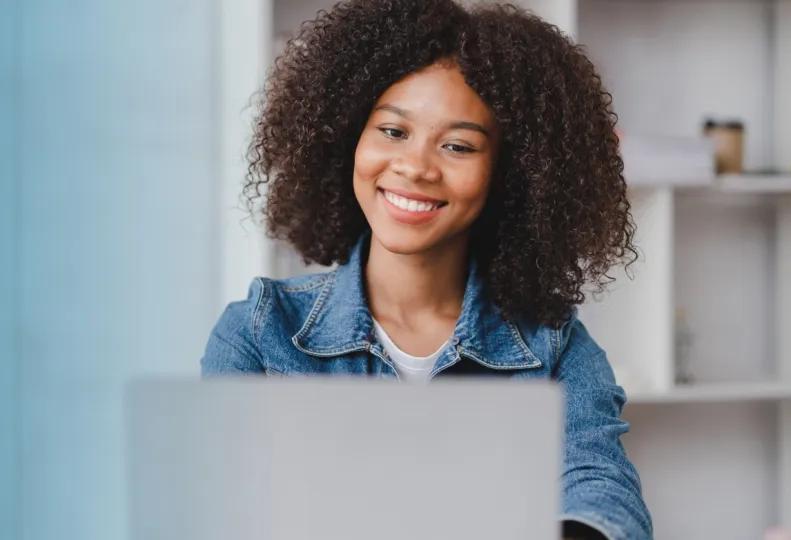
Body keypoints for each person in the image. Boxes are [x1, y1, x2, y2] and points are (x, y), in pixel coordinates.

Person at [201, 1, 653, 538]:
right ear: (349, 139)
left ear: (509, 175)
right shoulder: (259, 332)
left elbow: (602, 491)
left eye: (458, 146)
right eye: (393, 131)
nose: (415, 166)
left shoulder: (554, 349)